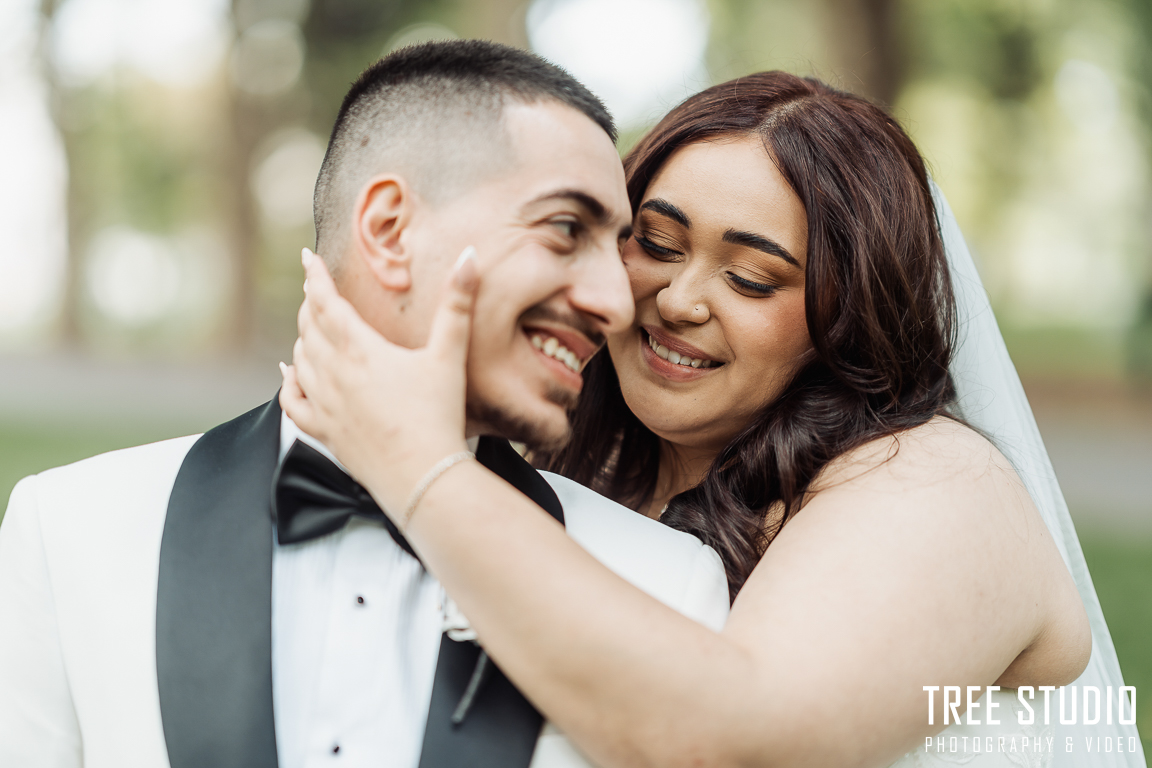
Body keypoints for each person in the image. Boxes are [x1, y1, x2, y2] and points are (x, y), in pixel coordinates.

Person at [281, 71, 1144, 768]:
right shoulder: (586, 470)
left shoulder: (942, 487)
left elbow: (734, 746)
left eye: (751, 279)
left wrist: (420, 469)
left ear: (848, 318)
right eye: (655, 244)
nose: (678, 300)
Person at [0, 41, 731, 768]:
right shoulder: (68, 530)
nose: (615, 304)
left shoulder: (665, 584)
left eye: (617, 250)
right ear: (389, 230)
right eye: (567, 229)